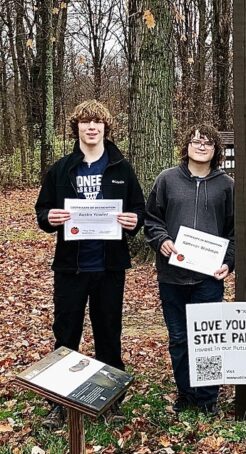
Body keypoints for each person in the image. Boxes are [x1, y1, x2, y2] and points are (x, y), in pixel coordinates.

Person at [35, 99, 145, 428]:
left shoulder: (121, 168)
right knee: (66, 333)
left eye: (97, 122)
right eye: (85, 122)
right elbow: (43, 211)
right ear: (77, 128)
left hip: (109, 268)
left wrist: (132, 220)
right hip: (71, 267)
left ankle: (110, 400)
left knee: (108, 333)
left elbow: (138, 209)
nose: (92, 127)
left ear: (105, 128)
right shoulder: (62, 168)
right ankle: (59, 403)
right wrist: (49, 218)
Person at [145, 124, 235, 416]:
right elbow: (151, 219)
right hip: (172, 276)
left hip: (209, 277)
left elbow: (235, 231)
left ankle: (208, 398)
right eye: (195, 140)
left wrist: (228, 261)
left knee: (207, 338)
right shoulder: (167, 180)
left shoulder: (226, 185)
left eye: (207, 142)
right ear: (186, 146)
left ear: (215, 151)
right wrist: (162, 241)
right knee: (180, 338)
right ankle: (185, 394)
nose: (201, 145)